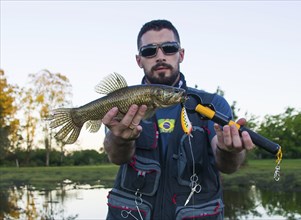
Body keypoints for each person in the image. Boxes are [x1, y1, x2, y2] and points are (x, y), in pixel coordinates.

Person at [102, 19, 255, 220]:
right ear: (139, 60)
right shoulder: (124, 102)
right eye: (149, 51)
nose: (160, 57)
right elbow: (116, 157)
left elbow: (229, 166)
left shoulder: (213, 104)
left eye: (169, 48)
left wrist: (230, 150)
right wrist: (121, 139)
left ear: (181, 54)